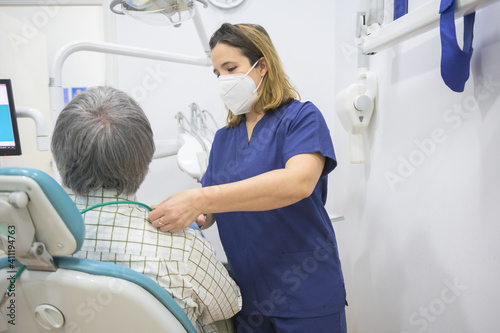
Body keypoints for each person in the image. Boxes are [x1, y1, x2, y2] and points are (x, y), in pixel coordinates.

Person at [149, 23, 347, 332]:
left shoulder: (301, 118)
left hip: (305, 291)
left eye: (231, 68)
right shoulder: (224, 138)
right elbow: (208, 212)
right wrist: (176, 214)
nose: (224, 81)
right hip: (249, 296)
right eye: (217, 74)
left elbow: (298, 183)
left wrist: (200, 198)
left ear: (262, 65)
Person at [51, 86, 242, 333]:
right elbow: (229, 305)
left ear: (58, 152)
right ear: (144, 157)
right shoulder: (184, 249)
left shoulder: (25, 243)